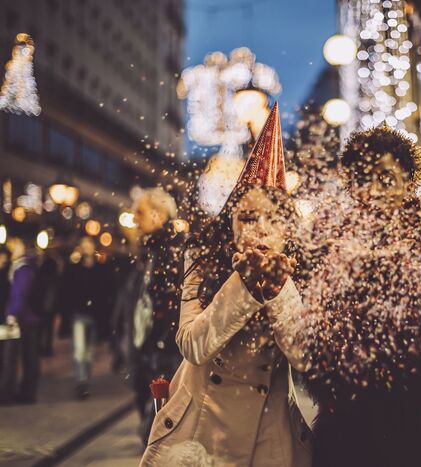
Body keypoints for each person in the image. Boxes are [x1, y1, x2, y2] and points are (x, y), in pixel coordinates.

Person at [292, 124, 421, 467]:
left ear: (409, 181)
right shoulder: (326, 240)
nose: (373, 190)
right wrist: (340, 388)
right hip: (349, 430)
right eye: (362, 178)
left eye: (385, 178)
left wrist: (415, 391)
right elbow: (308, 334)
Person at [140, 102, 312, 466]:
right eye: (248, 218)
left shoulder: (301, 270)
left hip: (270, 437)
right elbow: (194, 345)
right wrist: (245, 287)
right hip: (199, 436)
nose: (261, 229)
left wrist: (278, 289)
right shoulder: (202, 260)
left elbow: (306, 356)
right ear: (230, 224)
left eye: (275, 219)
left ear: (289, 228)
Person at [130, 186, 184, 444]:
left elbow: (172, 305)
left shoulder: (170, 251)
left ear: (159, 214)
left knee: (161, 424)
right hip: (153, 346)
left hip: (165, 350)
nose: (134, 218)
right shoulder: (152, 250)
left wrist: (158, 340)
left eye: (140, 211)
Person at [0, 237, 40, 404]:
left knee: (19, 357)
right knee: (28, 357)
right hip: (27, 317)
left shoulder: (22, 268)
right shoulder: (21, 267)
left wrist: (11, 314)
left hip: (23, 319)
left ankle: (19, 393)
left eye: (15, 246)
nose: (12, 250)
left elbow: (19, 294)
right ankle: (27, 392)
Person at [65, 237, 105, 399]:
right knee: (80, 349)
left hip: (94, 315)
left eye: (89, 244)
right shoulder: (74, 268)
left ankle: (85, 379)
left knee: (89, 351)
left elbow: (106, 290)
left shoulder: (100, 268)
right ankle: (81, 382)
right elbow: (67, 289)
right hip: (79, 314)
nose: (86, 248)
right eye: (84, 245)